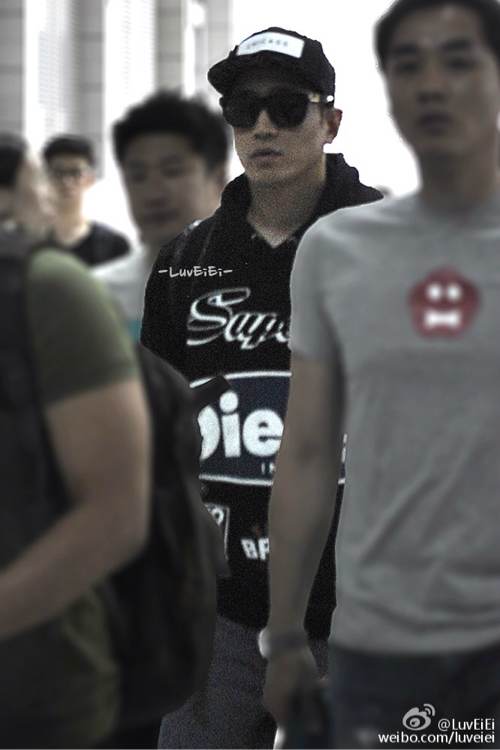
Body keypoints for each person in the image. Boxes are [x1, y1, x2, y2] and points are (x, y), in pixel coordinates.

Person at [263, 1, 500, 748]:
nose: (431, 84)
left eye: (457, 60)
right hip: (380, 647)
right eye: (408, 65)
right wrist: (285, 633)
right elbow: (307, 451)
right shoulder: (337, 250)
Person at [141, 27, 382, 748]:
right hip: (222, 617)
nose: (263, 126)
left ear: (330, 121)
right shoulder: (186, 259)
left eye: (287, 106)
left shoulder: (392, 248)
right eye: (244, 109)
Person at [0, 136, 151, 748]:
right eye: (40, 177)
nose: (49, 191)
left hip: (39, 677)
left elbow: (115, 512)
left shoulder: (56, 283)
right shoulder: (52, 283)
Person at [94, 90, 229, 340]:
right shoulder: (97, 296)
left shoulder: (271, 286)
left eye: (172, 171)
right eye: (138, 176)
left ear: (218, 179)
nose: (154, 193)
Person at [42, 134, 131, 266]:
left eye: (75, 173)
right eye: (58, 173)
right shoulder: (27, 243)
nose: (67, 181)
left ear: (90, 179)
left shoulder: (114, 246)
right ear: (44, 177)